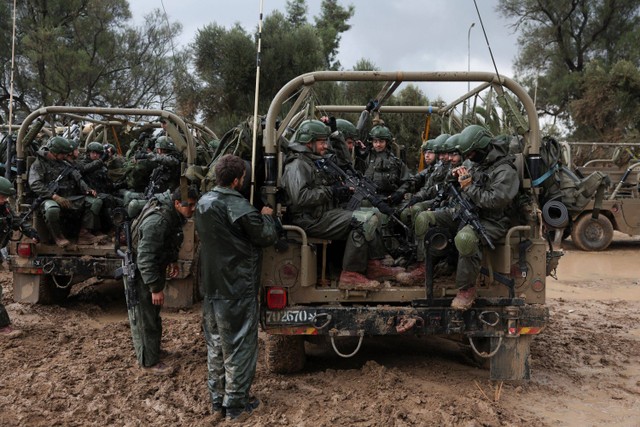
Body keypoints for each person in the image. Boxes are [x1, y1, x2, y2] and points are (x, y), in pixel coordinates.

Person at [194, 154, 278, 422]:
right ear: (237, 180)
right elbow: (265, 237)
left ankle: (217, 400)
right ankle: (237, 405)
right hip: (237, 286)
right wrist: (267, 217)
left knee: (216, 345)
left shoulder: (203, 203)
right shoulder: (238, 206)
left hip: (211, 286)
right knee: (240, 345)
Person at [281, 119, 404, 289]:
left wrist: (338, 190)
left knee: (371, 215)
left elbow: (341, 160)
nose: (325, 146)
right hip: (310, 219)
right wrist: (332, 191)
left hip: (320, 214)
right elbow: (301, 197)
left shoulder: (311, 159)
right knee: (363, 221)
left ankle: (374, 264)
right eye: (322, 142)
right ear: (309, 143)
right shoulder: (297, 164)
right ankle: (350, 275)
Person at [413, 125, 519, 309]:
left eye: (470, 154)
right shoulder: (475, 162)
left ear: (483, 148)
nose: (468, 158)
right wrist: (456, 176)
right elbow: (460, 179)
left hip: (491, 220)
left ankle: (466, 289)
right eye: (467, 155)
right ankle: (423, 267)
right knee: (424, 218)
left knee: (466, 239)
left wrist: (468, 187)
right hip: (464, 209)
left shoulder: (505, 171)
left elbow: (494, 201)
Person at [125, 186, 198, 375]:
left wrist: (172, 260)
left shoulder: (172, 216)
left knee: (153, 315)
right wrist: (155, 288)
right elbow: (145, 258)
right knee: (145, 318)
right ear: (176, 203)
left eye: (194, 204)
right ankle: (149, 362)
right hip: (142, 273)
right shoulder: (158, 222)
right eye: (188, 205)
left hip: (151, 271)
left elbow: (170, 241)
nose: (193, 209)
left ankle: (153, 351)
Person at [28, 136, 103, 247]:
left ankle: (84, 234)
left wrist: (87, 189)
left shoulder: (64, 163)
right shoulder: (38, 164)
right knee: (52, 209)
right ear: (55, 152)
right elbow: (35, 184)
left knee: (95, 202)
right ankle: (58, 237)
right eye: (63, 154)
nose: (65, 156)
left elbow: (77, 177)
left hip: (68, 198)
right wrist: (54, 196)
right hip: (48, 199)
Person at [0, 177, 39, 339]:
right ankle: (3, 326)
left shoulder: (4, 207)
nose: (5, 200)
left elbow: (15, 220)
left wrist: (30, 232)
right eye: (2, 196)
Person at [357, 125, 412, 206]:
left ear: (387, 142)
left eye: (381, 141)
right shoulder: (366, 158)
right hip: (368, 198)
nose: (378, 144)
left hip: (388, 199)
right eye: (375, 141)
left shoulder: (395, 161)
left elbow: (407, 181)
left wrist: (399, 193)